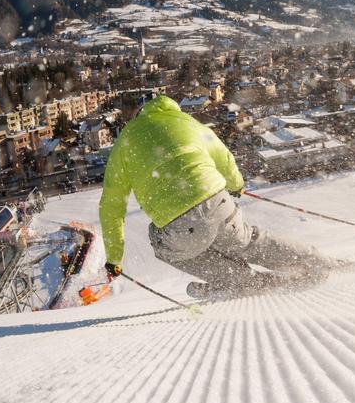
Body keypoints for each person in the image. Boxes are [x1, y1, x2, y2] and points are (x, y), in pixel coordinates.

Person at [99, 95, 334, 297]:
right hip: (217, 201)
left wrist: (114, 259)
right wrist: (236, 184)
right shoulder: (188, 123)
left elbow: (111, 207)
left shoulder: (125, 141)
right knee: (246, 241)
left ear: (139, 116)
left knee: (166, 247)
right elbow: (224, 157)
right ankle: (312, 261)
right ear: (173, 108)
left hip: (175, 222)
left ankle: (242, 280)